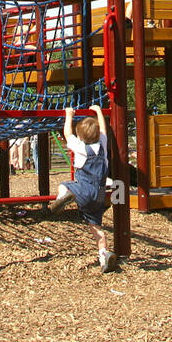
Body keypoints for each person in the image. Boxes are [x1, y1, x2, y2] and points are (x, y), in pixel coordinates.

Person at [48, 105, 118, 272]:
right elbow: (103, 129)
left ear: (80, 137)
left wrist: (68, 115)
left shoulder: (80, 148)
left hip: (84, 189)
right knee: (96, 226)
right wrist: (99, 111)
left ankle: (63, 198)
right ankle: (103, 254)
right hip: (99, 195)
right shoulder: (103, 144)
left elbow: (67, 134)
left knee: (64, 185)